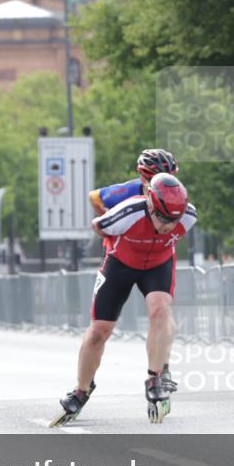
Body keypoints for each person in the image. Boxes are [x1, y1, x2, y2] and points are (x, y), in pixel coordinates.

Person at [51, 173, 197, 427]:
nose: (168, 226)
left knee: (160, 309)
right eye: (163, 218)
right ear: (151, 205)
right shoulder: (128, 212)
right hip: (120, 264)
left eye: (174, 220)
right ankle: (81, 390)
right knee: (99, 331)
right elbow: (98, 225)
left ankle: (155, 377)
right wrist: (116, 243)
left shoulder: (188, 216)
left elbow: (172, 223)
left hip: (157, 265)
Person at [88, 149, 178, 215]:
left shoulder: (176, 194)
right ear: (143, 178)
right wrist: (109, 221)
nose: (164, 187)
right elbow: (94, 197)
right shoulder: (128, 190)